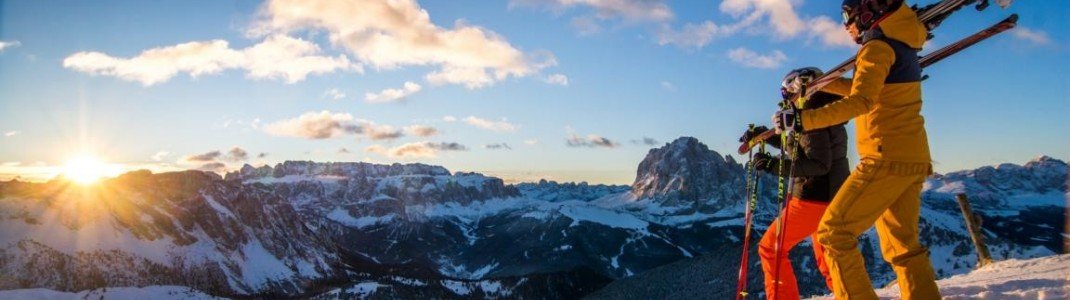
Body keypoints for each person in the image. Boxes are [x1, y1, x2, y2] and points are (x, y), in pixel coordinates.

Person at [771, 0, 941, 299]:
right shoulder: (900, 43)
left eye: (848, 16)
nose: (846, 25)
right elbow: (864, 90)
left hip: (884, 156)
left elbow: (862, 102)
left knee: (832, 234)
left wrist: (801, 120)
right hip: (912, 156)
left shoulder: (876, 47)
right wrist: (824, 84)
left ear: (868, 12)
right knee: (903, 247)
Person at [740, 67, 850, 300]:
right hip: (832, 194)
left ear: (799, 88)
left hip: (814, 196)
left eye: (786, 93)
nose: (785, 100)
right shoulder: (824, 110)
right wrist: (764, 135)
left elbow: (818, 164)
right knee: (828, 254)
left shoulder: (811, 110)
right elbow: (799, 146)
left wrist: (772, 165)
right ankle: (848, 294)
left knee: (771, 248)